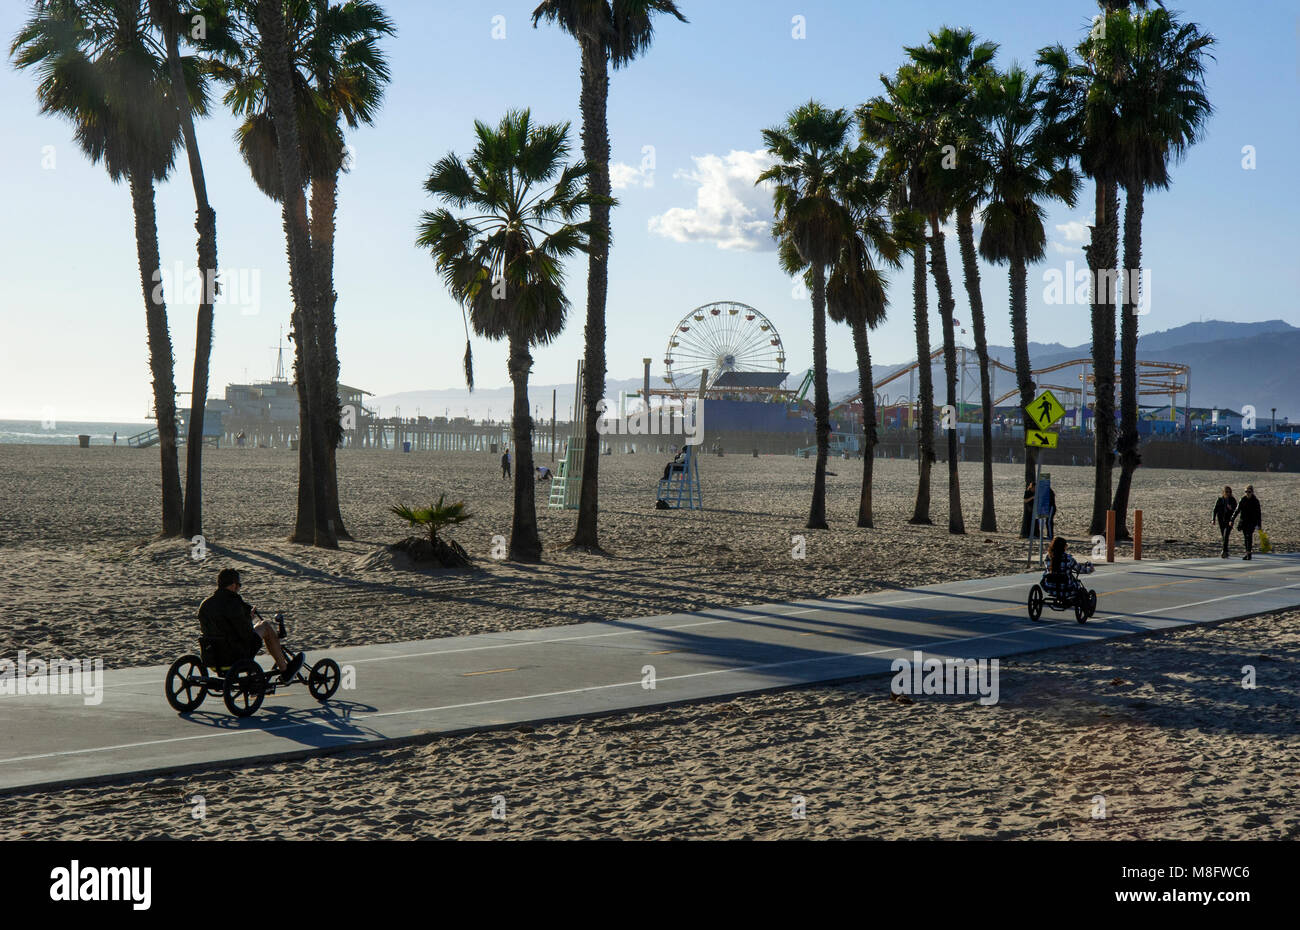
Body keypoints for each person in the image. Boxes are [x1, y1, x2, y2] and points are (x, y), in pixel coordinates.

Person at [198, 568, 303, 682]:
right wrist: (249, 618)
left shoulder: (205, 604)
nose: (238, 588)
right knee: (265, 626)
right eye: (239, 585)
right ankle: (285, 670)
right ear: (233, 585)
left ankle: (256, 672)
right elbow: (245, 633)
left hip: (213, 657)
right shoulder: (233, 603)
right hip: (233, 655)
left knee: (251, 632)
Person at [1236, 485, 1262, 560]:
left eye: (1249, 491)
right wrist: (1232, 520)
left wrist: (1259, 524)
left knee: (1249, 536)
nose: (1247, 493)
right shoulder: (1242, 499)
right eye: (1246, 491)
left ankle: (1249, 554)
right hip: (1244, 521)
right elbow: (1237, 510)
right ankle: (1247, 553)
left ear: (1252, 492)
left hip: (1252, 522)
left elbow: (1258, 514)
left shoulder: (1255, 501)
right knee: (1245, 537)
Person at [1211, 485, 1237, 558]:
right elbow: (1215, 510)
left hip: (1229, 520)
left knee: (1226, 535)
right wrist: (1213, 519)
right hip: (1221, 520)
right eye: (1226, 492)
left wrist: (1231, 508)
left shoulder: (1232, 500)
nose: (1228, 493)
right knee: (1224, 536)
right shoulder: (1219, 500)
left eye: (1229, 492)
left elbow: (1236, 510)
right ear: (1223, 492)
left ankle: (1224, 551)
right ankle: (1226, 550)